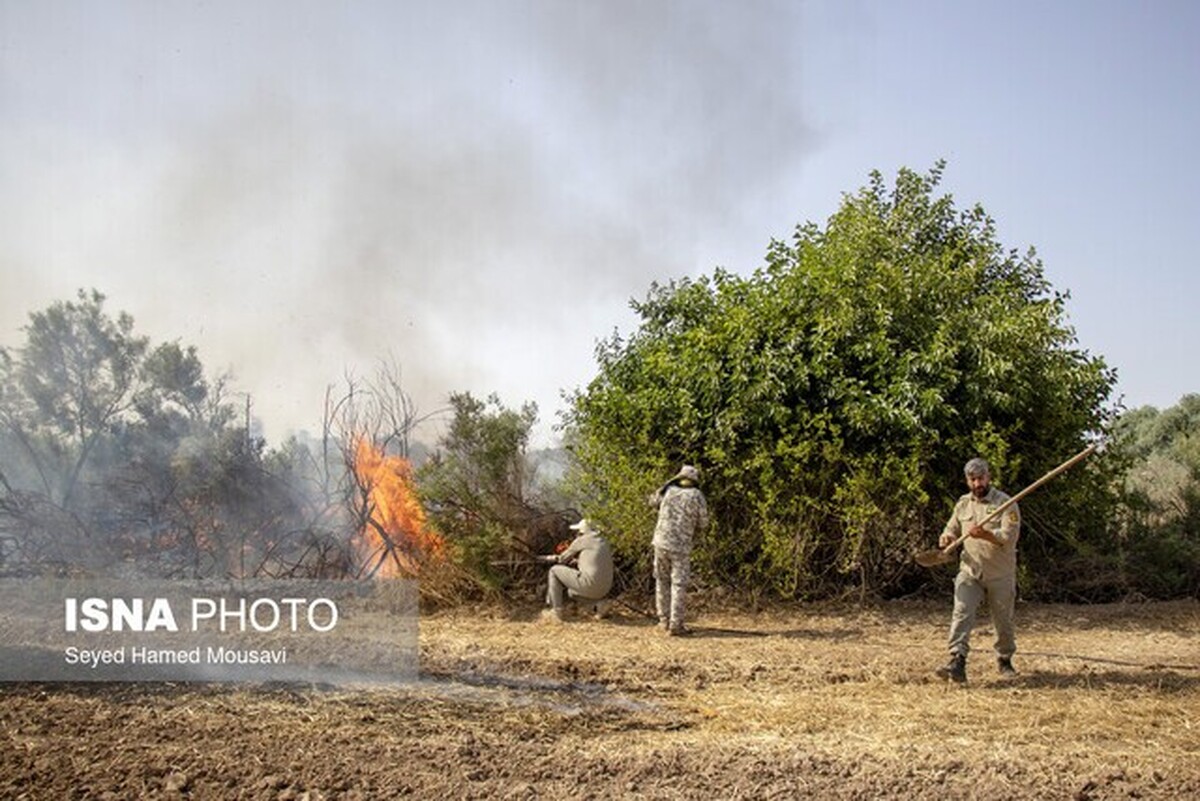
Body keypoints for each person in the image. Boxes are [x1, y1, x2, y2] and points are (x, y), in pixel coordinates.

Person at [936, 456, 1021, 683]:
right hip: (970, 570)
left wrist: (987, 535)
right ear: (967, 480)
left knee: (1003, 620)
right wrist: (947, 537)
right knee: (962, 612)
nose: (977, 484)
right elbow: (951, 528)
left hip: (999, 574)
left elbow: (1009, 538)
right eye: (973, 480)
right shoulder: (963, 503)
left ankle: (1004, 659)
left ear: (988, 477)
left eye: (981, 478)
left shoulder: (1006, 504)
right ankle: (957, 660)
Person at [650, 464, 709, 636]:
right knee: (678, 584)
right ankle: (676, 625)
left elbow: (652, 501)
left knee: (661, 581)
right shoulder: (697, 496)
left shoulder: (669, 491)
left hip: (660, 542)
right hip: (681, 546)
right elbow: (703, 523)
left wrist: (666, 485)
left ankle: (663, 621)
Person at [539, 518, 614, 623]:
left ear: (582, 531)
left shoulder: (582, 540)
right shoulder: (603, 541)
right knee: (572, 593)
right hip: (605, 588)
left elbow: (562, 559)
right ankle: (598, 605)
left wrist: (545, 558)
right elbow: (593, 560)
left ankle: (556, 611)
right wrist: (578, 561)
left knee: (553, 571)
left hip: (590, 583)